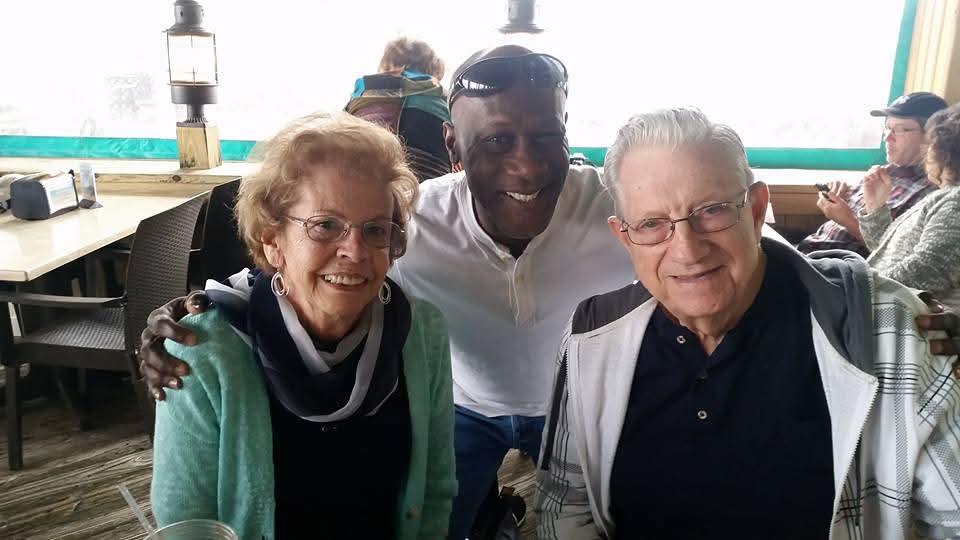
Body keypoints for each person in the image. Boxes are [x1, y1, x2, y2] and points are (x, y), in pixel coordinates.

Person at [141, 46, 638, 540]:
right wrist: (198, 317)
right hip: (466, 409)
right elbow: (285, 266)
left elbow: (692, 251)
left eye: (547, 136)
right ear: (454, 147)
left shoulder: (623, 214)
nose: (527, 167)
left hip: (571, 406)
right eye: (497, 140)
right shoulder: (419, 218)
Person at [536, 108, 960, 539]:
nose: (687, 249)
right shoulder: (590, 339)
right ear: (625, 237)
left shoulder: (892, 332)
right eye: (651, 224)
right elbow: (565, 509)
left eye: (711, 211)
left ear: (757, 210)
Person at [149, 112, 456, 540]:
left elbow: (436, 489)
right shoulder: (201, 350)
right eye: (325, 225)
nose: (354, 250)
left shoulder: (422, 333)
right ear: (272, 240)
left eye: (374, 230)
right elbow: (186, 521)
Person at [797, 92, 948, 256]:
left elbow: (893, 256)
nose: (888, 138)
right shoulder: (885, 172)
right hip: (808, 250)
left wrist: (846, 219)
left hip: (839, 270)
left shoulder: (933, 192)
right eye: (888, 128)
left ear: (932, 136)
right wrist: (838, 196)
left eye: (901, 130)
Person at [859, 103, 960, 311]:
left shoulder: (955, 201)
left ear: (941, 152)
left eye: (929, 143)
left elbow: (929, 270)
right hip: (880, 302)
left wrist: (853, 289)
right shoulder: (946, 197)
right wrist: (876, 209)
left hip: (888, 313)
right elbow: (888, 252)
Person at [347, 37, 451, 181]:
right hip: (427, 186)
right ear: (434, 67)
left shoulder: (360, 93)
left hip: (364, 182)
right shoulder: (441, 95)